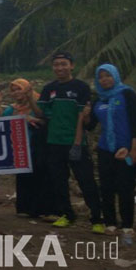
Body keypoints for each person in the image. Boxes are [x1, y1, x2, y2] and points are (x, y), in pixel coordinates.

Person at [37, 52, 103, 231]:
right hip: (54, 143)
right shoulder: (49, 89)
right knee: (59, 181)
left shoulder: (81, 87)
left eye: (63, 64)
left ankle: (97, 219)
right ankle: (67, 214)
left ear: (71, 65)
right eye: (56, 64)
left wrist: (77, 143)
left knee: (86, 181)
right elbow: (41, 112)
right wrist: (29, 96)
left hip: (75, 143)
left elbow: (84, 117)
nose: (60, 68)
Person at [82, 64, 136, 239]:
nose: (105, 79)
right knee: (106, 186)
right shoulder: (99, 100)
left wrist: (134, 148)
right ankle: (110, 222)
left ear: (115, 76)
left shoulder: (127, 94)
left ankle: (128, 225)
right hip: (105, 148)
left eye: (108, 75)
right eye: (101, 77)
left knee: (125, 187)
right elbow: (91, 126)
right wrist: (85, 115)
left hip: (127, 148)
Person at [0, 79, 48, 218]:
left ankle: (40, 209)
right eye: (13, 90)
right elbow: (0, 123)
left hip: (37, 147)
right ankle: (24, 208)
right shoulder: (11, 109)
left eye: (19, 89)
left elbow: (46, 120)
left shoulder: (39, 104)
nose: (16, 93)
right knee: (23, 179)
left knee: (39, 178)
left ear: (27, 89)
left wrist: (33, 120)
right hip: (21, 150)